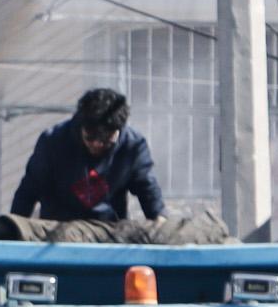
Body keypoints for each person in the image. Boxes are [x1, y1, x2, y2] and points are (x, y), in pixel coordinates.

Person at [9, 87, 163, 225]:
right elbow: (29, 190)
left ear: (119, 130)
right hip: (57, 231)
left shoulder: (133, 146)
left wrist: (159, 219)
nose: (97, 144)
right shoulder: (53, 142)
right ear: (81, 125)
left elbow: (147, 188)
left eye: (105, 140)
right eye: (90, 137)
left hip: (108, 232)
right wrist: (14, 227)